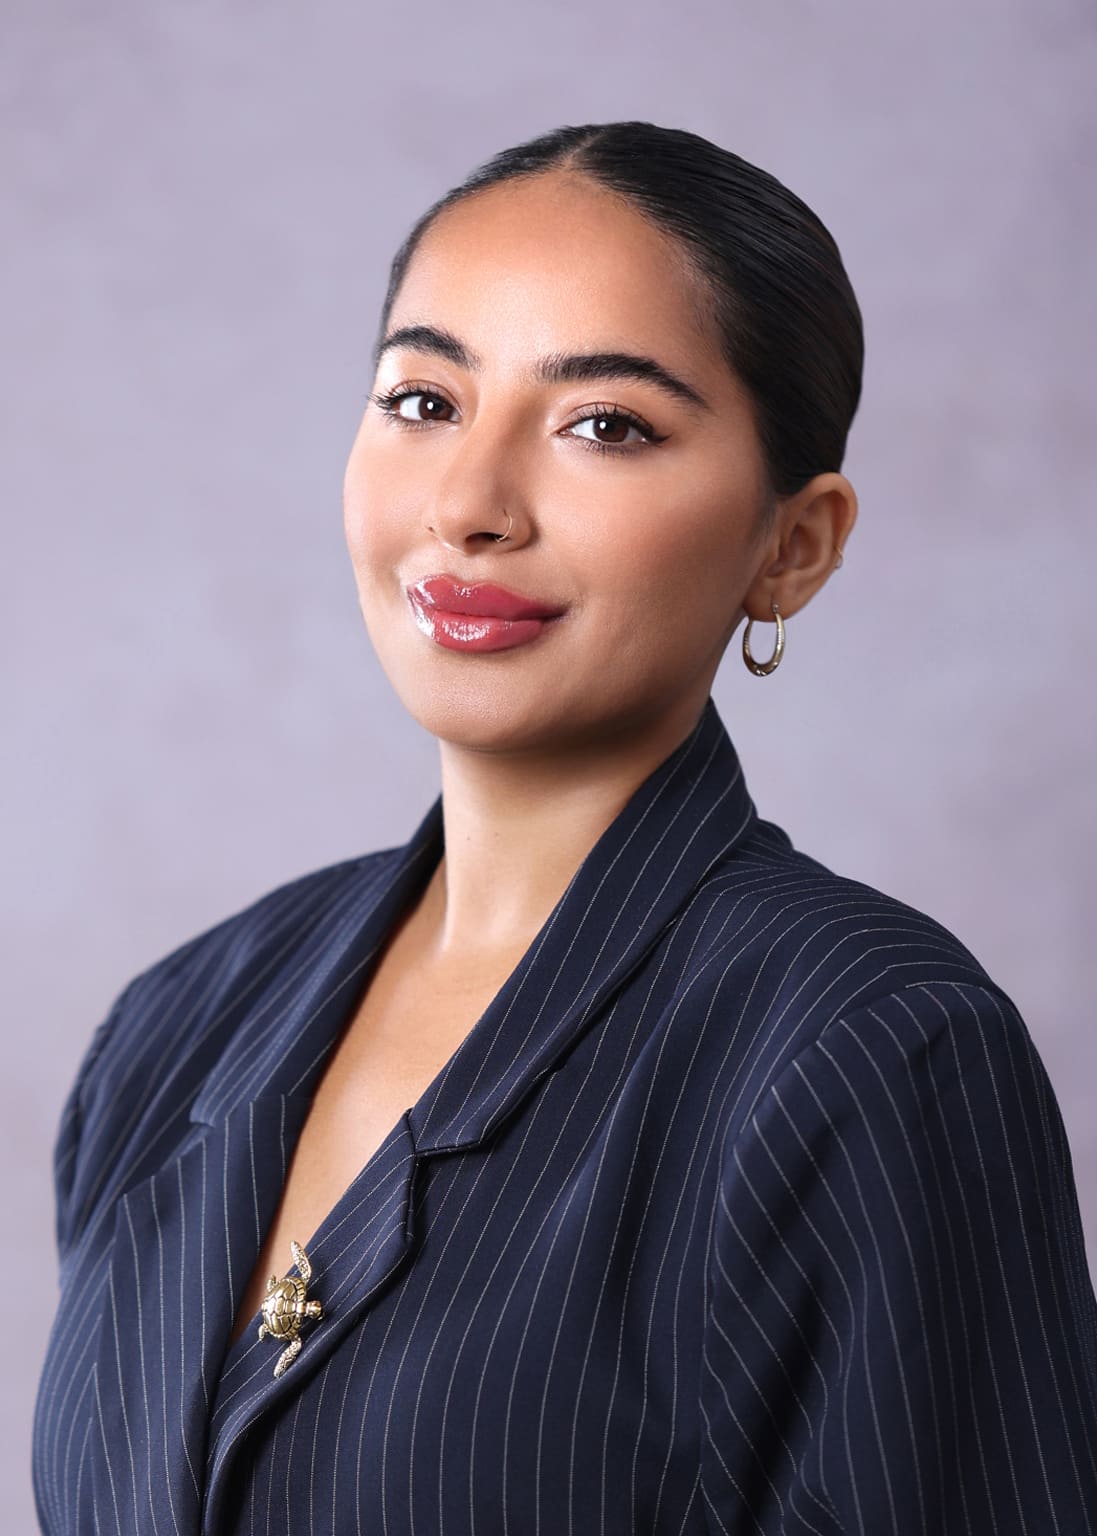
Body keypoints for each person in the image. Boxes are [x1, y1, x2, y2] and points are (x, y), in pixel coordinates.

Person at [32, 120, 1097, 1535]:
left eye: (604, 425)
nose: (468, 506)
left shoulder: (873, 1049)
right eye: (423, 401)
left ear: (794, 546)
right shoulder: (175, 1026)